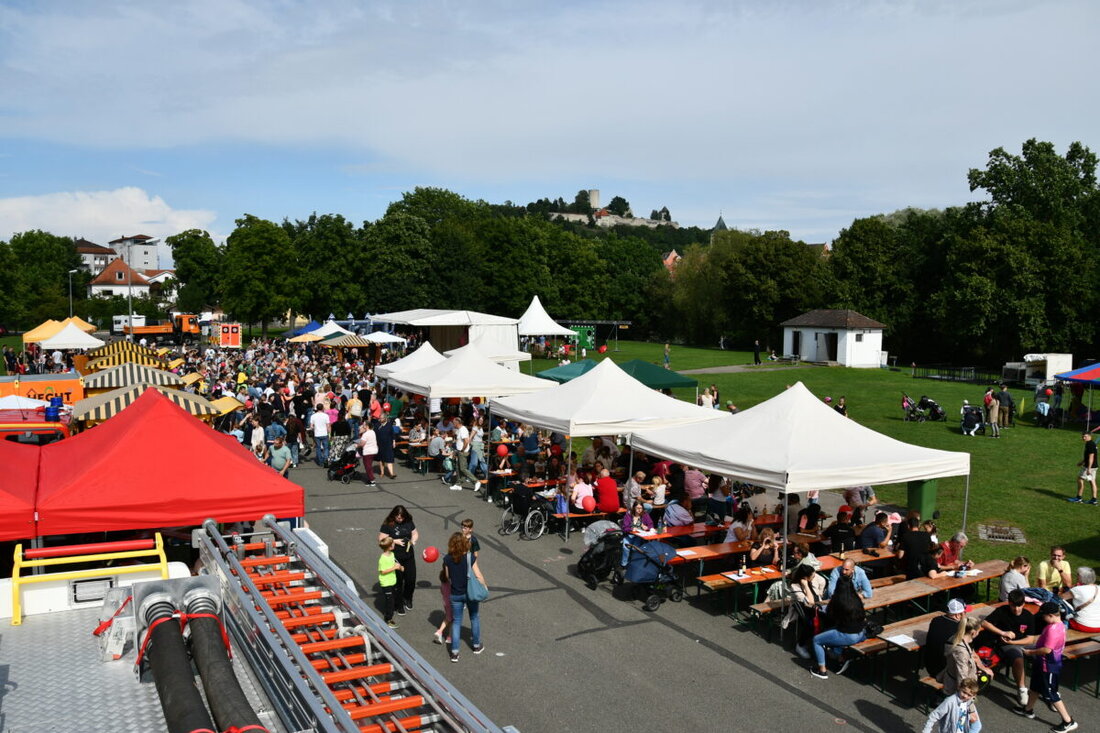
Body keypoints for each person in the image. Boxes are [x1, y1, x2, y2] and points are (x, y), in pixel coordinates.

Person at [1014, 602, 1077, 732]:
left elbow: (1047, 650)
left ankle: (1068, 721)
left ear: (1050, 615)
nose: (1042, 618)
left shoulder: (1054, 630)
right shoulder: (1057, 625)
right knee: (1035, 688)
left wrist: (1030, 652)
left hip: (1048, 667)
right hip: (1042, 664)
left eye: (1043, 616)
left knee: (1051, 694)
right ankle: (1028, 710)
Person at [976, 589, 1037, 707]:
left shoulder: (1028, 616)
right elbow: (985, 623)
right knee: (1018, 659)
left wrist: (1015, 642)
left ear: (1024, 604)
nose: (1017, 609)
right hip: (1006, 645)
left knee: (1044, 653)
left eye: (1019, 606)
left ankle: (1046, 689)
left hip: (1021, 643)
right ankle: (1022, 690)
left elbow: (1030, 639)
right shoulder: (1001, 611)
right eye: (1014, 606)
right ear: (1009, 603)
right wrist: (1002, 633)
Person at [809, 570, 867, 679]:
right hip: (861, 633)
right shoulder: (857, 599)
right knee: (834, 632)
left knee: (816, 640)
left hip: (848, 635)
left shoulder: (838, 600)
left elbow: (830, 615)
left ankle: (822, 670)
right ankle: (841, 657)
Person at [441, 531, 487, 663]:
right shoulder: (470, 557)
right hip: (470, 593)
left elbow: (447, 577)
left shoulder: (447, 559)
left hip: (456, 594)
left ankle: (454, 652)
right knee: (474, 617)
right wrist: (484, 587)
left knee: (456, 622)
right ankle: (477, 645)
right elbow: (478, 575)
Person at [378, 506, 418, 614]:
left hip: (409, 556)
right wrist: (395, 541)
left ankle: (408, 598)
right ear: (394, 515)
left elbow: (415, 533)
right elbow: (381, 539)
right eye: (398, 517)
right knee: (398, 582)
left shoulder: (409, 522)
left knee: (411, 579)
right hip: (395, 557)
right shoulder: (388, 525)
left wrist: (413, 540)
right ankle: (399, 604)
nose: (399, 519)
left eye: (401, 517)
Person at [939, 616, 992, 696]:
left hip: (955, 679)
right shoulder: (961, 652)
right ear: (973, 632)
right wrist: (967, 695)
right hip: (959, 690)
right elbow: (962, 677)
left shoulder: (956, 638)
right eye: (978, 631)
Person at [785, 563, 827, 659]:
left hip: (818, 607)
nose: (814, 577)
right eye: (812, 576)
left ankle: (825, 644)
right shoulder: (795, 586)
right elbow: (810, 602)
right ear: (805, 578)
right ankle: (800, 645)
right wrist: (806, 586)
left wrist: (820, 592)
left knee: (830, 619)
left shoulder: (814, 577)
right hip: (803, 610)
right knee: (811, 624)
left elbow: (822, 581)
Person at [926, 598, 968, 678]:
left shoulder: (935, 620)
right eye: (965, 612)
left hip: (930, 666)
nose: (966, 615)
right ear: (957, 615)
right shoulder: (958, 629)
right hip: (945, 671)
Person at [1061, 566, 1100, 633]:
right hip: (1098, 626)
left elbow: (1059, 598)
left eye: (1078, 575)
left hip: (1084, 626)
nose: (1076, 576)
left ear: (1082, 577)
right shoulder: (1098, 588)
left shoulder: (1078, 589)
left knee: (1062, 615)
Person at [620, 501, 654, 569]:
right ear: (634, 508)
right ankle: (624, 564)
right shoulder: (628, 515)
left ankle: (633, 563)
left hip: (639, 536)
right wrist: (631, 529)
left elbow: (651, 524)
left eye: (641, 508)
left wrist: (647, 527)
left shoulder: (645, 515)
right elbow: (624, 528)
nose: (639, 510)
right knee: (625, 547)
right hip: (629, 535)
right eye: (637, 508)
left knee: (635, 548)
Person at [377, 536, 402, 629]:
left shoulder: (391, 554)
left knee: (391, 599)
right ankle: (388, 619)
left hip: (392, 581)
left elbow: (394, 561)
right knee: (390, 601)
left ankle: (389, 612)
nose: (395, 544)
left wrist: (399, 566)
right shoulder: (382, 559)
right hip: (386, 583)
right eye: (393, 544)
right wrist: (394, 568)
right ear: (390, 547)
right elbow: (382, 571)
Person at [1069, 432, 1098, 503]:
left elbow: (1091, 457)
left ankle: (1079, 498)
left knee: (1080, 479)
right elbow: (1088, 457)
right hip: (1093, 466)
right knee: (1092, 482)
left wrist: (1088, 468)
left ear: (1090, 436)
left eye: (1085, 436)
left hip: (1089, 467)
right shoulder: (1090, 443)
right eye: (1083, 436)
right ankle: (1094, 500)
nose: (1083, 438)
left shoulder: (1090, 444)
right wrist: (1082, 462)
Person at [374, 416, 397, 480]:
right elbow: (374, 434)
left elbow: (393, 434)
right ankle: (382, 472)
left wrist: (394, 441)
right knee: (381, 459)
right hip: (380, 444)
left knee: (389, 458)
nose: (380, 419)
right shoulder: (377, 425)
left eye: (381, 418)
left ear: (385, 418)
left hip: (388, 444)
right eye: (380, 418)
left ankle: (391, 474)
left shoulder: (389, 425)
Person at [357, 422, 378, 487]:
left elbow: (362, 444)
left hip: (368, 452)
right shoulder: (372, 432)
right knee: (369, 465)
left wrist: (356, 445)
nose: (363, 426)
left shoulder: (365, 434)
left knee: (367, 467)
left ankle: (372, 480)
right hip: (374, 451)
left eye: (364, 425)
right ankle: (370, 479)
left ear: (367, 426)